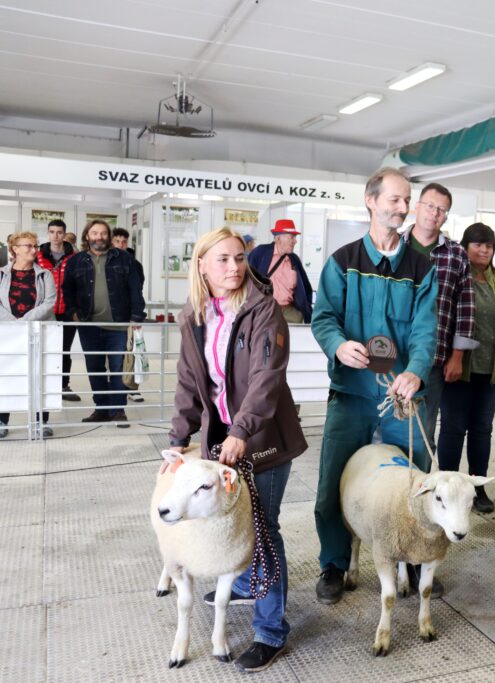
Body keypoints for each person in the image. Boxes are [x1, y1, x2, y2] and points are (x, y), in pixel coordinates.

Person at [168, 227, 306, 673]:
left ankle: (270, 632)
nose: (234, 267)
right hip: (219, 438)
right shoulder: (195, 313)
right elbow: (191, 380)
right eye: (223, 259)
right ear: (202, 265)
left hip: (261, 437)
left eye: (240, 258)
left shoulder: (263, 310)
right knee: (231, 520)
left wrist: (242, 430)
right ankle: (246, 582)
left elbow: (268, 377)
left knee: (263, 530)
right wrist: (178, 438)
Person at [310, 167, 437, 605]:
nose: (402, 209)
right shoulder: (343, 262)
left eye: (407, 201)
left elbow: (424, 330)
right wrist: (338, 345)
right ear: (370, 200)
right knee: (332, 484)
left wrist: (416, 369)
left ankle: (416, 555)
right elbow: (323, 316)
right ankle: (334, 562)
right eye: (395, 200)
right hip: (352, 394)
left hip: (402, 398)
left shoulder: (422, 268)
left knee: (416, 481)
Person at [438, 222, 495, 513]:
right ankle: (446, 487)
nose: (484, 250)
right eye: (478, 244)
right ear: (464, 247)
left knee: (482, 431)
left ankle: (477, 488)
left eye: (489, 245)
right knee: (452, 429)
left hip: (491, 371)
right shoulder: (455, 276)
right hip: (458, 369)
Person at [403, 182, 476, 451]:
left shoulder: (456, 254)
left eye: (442, 210)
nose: (434, 213)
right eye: (430, 206)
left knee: (424, 430)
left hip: (434, 358)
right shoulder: (393, 245)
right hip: (392, 354)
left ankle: (420, 487)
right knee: (385, 425)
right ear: (417, 207)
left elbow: (466, 309)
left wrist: (458, 356)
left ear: (446, 216)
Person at [62, 219, 145, 426]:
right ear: (87, 236)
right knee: (95, 368)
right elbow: (67, 290)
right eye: (94, 233)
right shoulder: (75, 261)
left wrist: (136, 317)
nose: (99, 237)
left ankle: (117, 410)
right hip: (89, 325)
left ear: (108, 236)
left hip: (119, 325)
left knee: (118, 368)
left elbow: (136, 289)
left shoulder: (125, 259)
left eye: (103, 233)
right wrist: (72, 312)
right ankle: (101, 409)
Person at [0, 231, 57, 438]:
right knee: (7, 376)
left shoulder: (45, 274)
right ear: (15, 249)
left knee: (40, 375)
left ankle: (41, 422)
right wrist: (13, 325)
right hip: (8, 335)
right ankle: (1, 421)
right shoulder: (1, 274)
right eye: (29, 246)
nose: (34, 250)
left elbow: (49, 303)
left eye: (35, 245)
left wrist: (23, 322)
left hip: (38, 333)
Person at [36, 218, 79, 401]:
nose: (55, 236)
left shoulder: (74, 256)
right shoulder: (37, 255)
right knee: (42, 348)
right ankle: (42, 384)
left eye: (59, 232)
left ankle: (63, 386)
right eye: (52, 232)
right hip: (44, 311)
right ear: (48, 233)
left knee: (64, 350)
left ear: (64, 234)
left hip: (67, 312)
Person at [248, 219, 314, 324]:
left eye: (295, 237)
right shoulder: (260, 253)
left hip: (290, 312)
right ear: (278, 238)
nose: (295, 241)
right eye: (291, 237)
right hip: (265, 311)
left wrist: (304, 309)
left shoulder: (294, 259)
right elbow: (247, 280)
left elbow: (306, 287)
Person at [111, 227, 147, 403]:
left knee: (132, 352)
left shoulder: (135, 264)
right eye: (117, 241)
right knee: (115, 357)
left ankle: (132, 388)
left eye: (123, 241)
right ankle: (115, 388)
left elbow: (138, 290)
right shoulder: (107, 261)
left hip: (130, 316)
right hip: (111, 318)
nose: (120, 245)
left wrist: (137, 315)